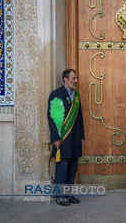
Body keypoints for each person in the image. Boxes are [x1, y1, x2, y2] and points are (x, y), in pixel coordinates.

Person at [47, 69, 85, 206]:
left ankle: (69, 195)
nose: (76, 81)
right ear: (65, 79)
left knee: (72, 168)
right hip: (62, 139)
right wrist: (56, 138)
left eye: (76, 78)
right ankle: (60, 196)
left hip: (75, 139)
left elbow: (79, 118)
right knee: (62, 168)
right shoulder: (56, 94)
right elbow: (52, 118)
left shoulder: (76, 96)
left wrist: (82, 136)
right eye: (73, 78)